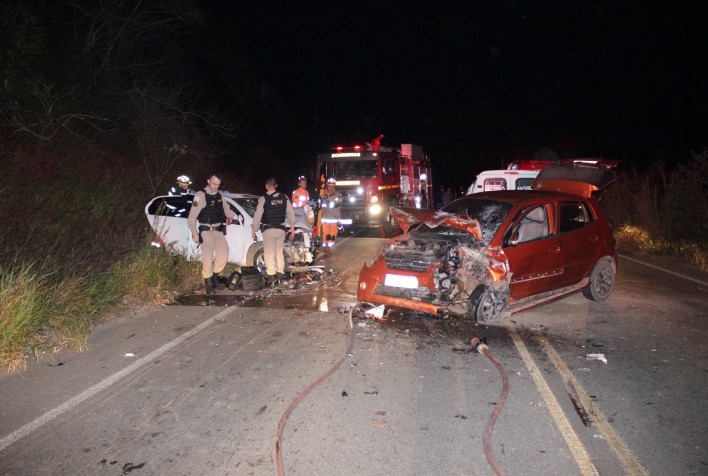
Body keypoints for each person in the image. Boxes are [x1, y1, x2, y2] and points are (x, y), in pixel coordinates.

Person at [187, 174, 235, 296]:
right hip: (206, 230)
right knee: (207, 257)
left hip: (218, 230)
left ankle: (214, 276)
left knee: (224, 254)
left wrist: (230, 216)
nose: (216, 186)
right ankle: (208, 282)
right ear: (208, 181)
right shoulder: (200, 195)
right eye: (214, 184)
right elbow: (192, 216)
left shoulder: (219, 194)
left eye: (218, 184)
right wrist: (194, 233)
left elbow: (225, 207)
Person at [251, 177, 296, 286]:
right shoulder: (284, 197)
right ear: (276, 186)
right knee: (279, 252)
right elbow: (290, 213)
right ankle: (280, 275)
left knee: (269, 253)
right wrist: (292, 227)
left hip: (268, 230)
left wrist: (254, 229)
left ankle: (271, 277)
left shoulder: (264, 198)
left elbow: (258, 215)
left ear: (266, 186)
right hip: (280, 230)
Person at [320, 177, 342, 253]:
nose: (331, 188)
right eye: (330, 186)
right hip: (325, 219)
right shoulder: (321, 194)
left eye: (333, 186)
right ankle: (326, 248)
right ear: (327, 186)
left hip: (334, 219)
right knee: (326, 235)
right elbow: (320, 204)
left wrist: (328, 202)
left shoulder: (338, 195)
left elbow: (337, 204)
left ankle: (329, 246)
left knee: (332, 237)